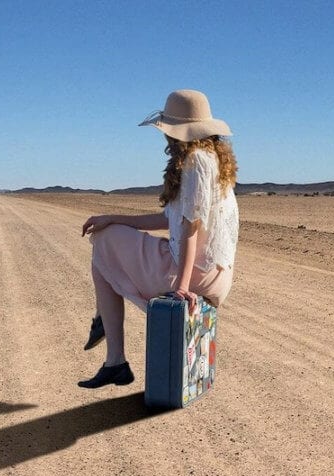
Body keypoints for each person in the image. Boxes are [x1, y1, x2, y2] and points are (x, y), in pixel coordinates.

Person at [78, 89, 239, 389]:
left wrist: (181, 285)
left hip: (195, 272)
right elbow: (170, 221)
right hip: (213, 271)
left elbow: (191, 227)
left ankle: (113, 353)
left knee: (102, 242)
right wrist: (114, 217)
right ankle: (109, 341)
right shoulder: (211, 159)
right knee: (106, 237)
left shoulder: (196, 162)